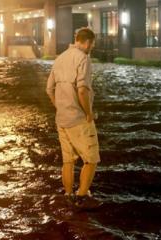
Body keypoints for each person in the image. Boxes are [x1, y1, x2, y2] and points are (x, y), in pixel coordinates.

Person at [46, 27, 101, 208]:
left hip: (61, 119)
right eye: (91, 45)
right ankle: (82, 196)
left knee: (68, 161)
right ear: (87, 43)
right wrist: (88, 113)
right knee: (91, 159)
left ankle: (68, 195)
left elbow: (49, 89)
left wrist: (59, 106)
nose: (91, 48)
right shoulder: (83, 58)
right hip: (78, 120)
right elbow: (83, 89)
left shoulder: (60, 58)